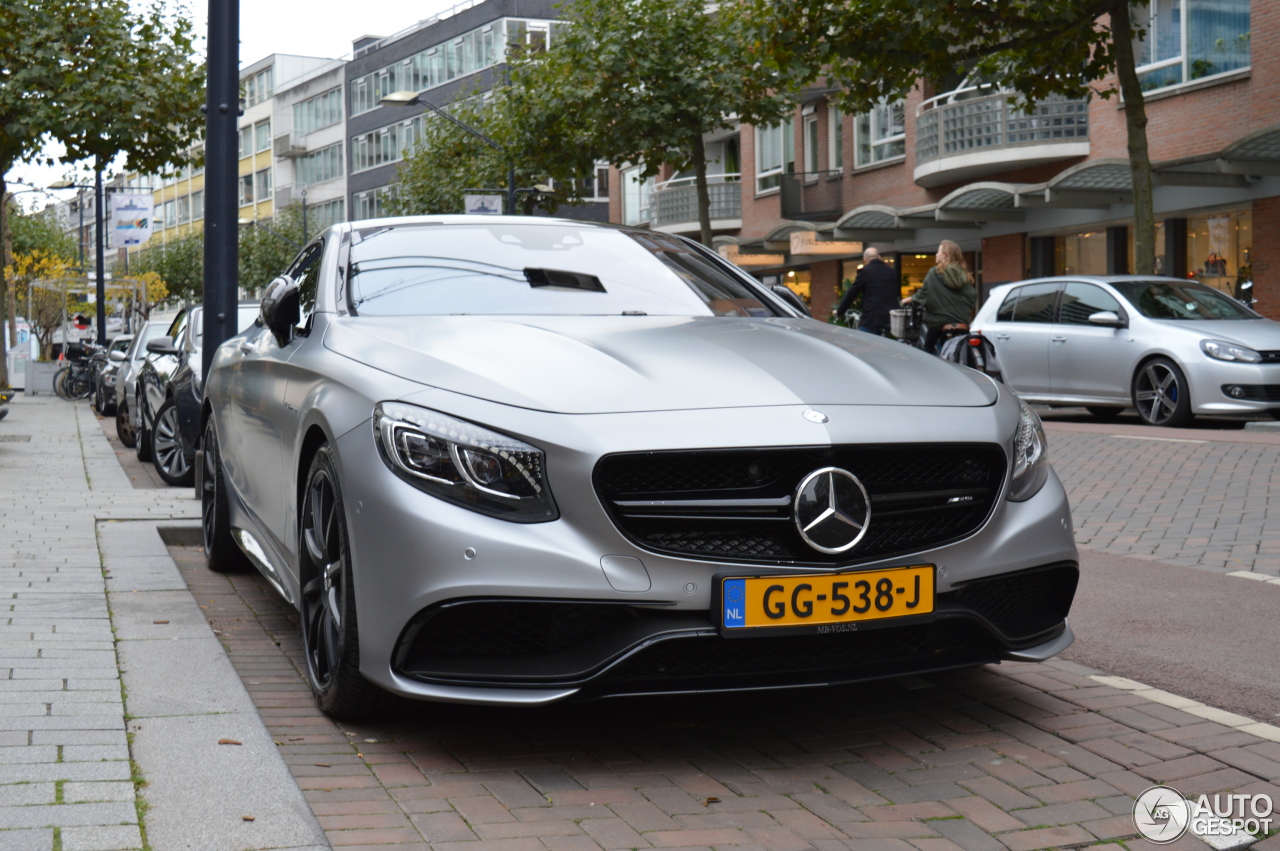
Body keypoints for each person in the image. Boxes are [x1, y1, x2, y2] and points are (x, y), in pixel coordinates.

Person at [903, 240, 977, 354]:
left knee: (927, 347)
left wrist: (912, 300)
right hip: (961, 319)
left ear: (945, 255)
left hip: (939, 321)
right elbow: (972, 297)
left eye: (938, 252)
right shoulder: (964, 274)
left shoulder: (935, 273)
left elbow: (924, 294)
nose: (936, 254)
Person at [831, 247, 900, 335]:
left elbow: (852, 293)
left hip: (873, 318)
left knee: (860, 342)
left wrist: (839, 312)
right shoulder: (892, 271)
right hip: (891, 317)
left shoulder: (865, 272)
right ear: (879, 257)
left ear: (865, 259)